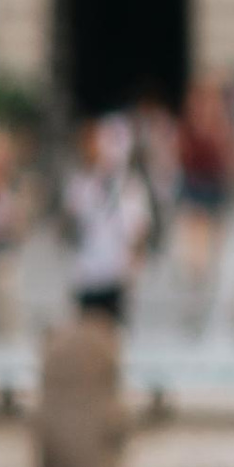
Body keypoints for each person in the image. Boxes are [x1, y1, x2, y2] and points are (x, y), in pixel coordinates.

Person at [61, 115, 152, 326]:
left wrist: (134, 262)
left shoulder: (130, 187)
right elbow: (70, 225)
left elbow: (139, 229)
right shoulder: (81, 184)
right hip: (88, 273)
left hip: (115, 274)